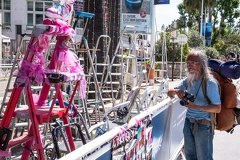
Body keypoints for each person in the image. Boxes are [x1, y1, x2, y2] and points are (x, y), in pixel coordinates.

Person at [167, 49, 221, 160]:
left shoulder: (210, 83)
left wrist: (196, 107)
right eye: (187, 63)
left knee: (204, 158)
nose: (189, 66)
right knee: (190, 157)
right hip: (188, 123)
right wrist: (178, 91)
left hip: (203, 126)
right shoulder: (189, 80)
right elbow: (169, 92)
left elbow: (217, 108)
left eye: (192, 63)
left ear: (201, 65)